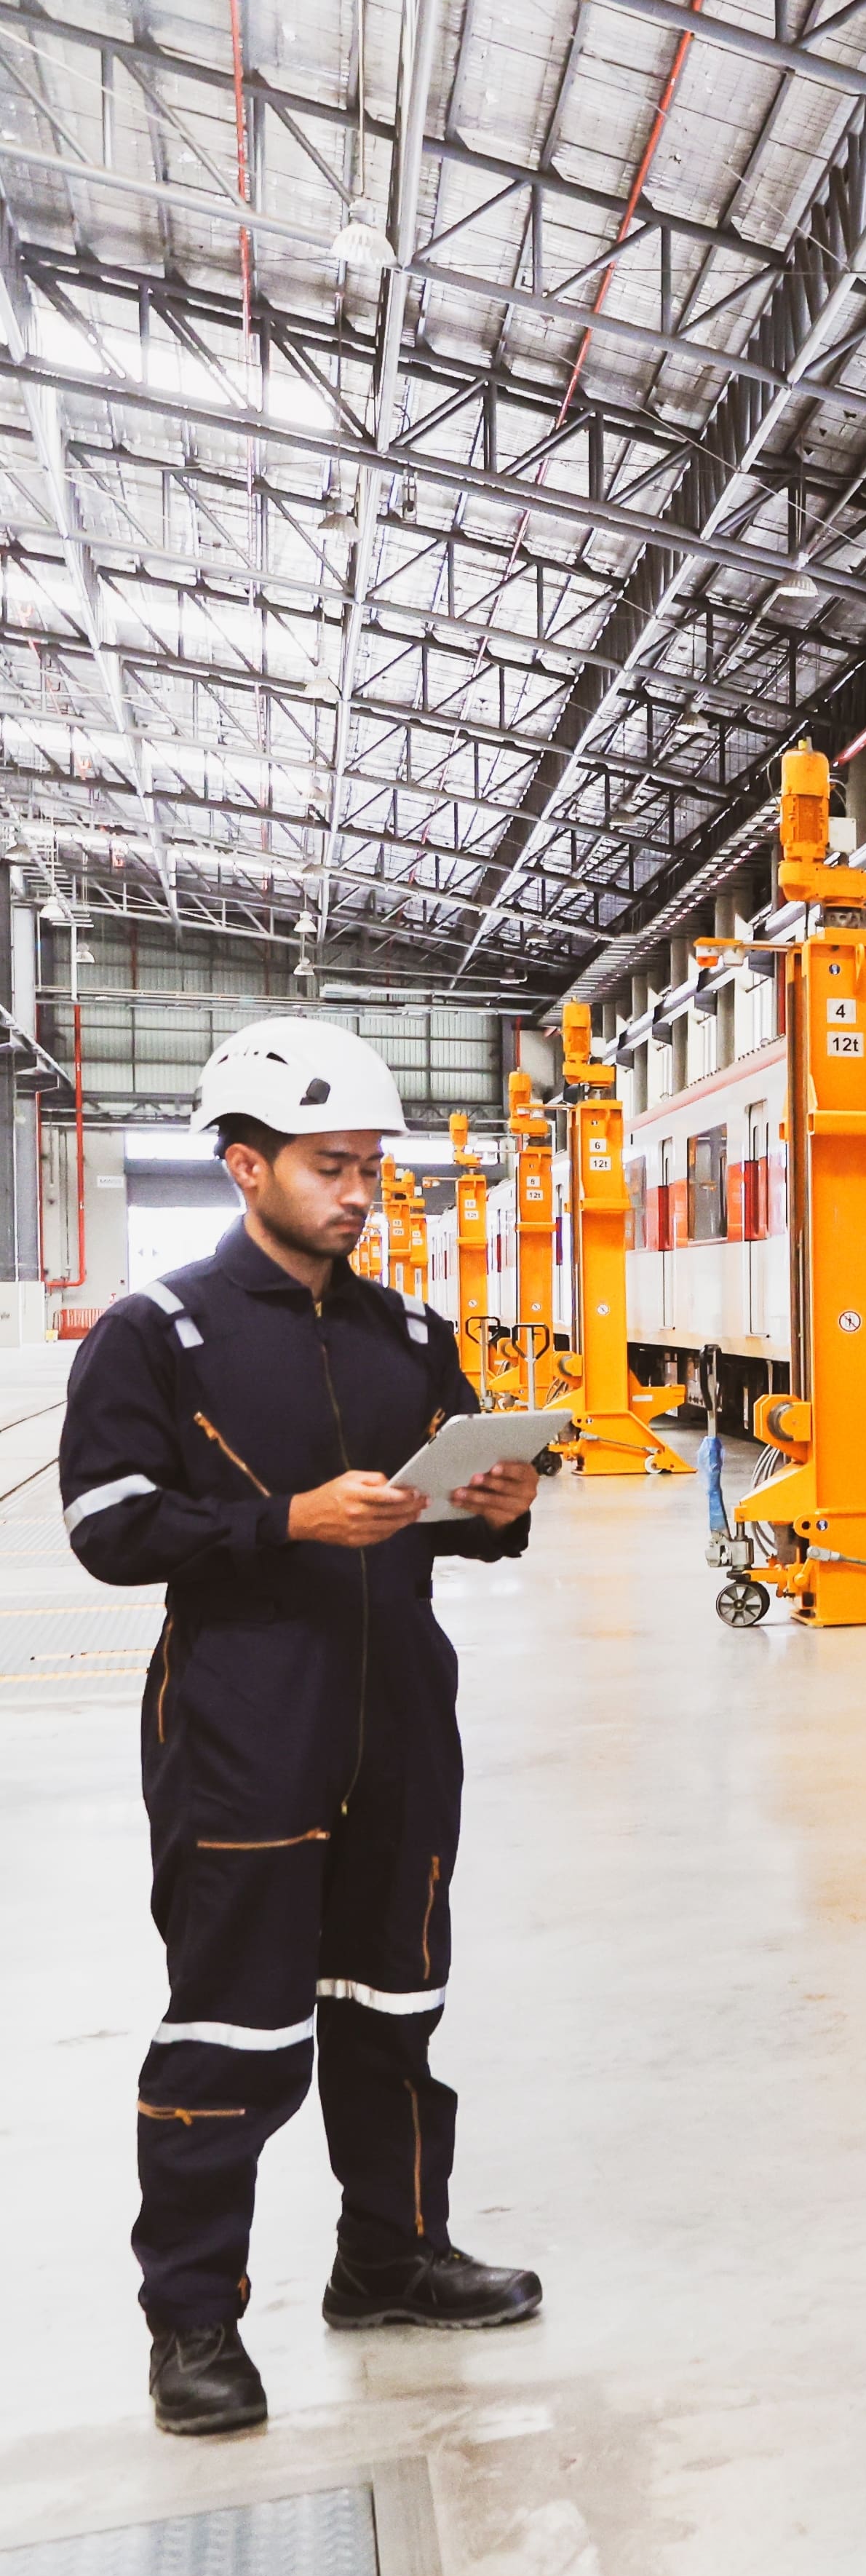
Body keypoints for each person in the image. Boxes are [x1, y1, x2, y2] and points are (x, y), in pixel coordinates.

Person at [56, 1018, 550, 2437]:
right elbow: (107, 1523)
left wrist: (497, 1506)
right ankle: (194, 2322)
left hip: (399, 1715)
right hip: (243, 1724)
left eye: (370, 1170)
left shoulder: (407, 1335)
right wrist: (287, 1520)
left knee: (395, 2011)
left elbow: (452, 1511)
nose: (358, 1194)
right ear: (244, 1165)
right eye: (331, 1167)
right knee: (235, 2031)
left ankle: (389, 2258)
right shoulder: (162, 1334)